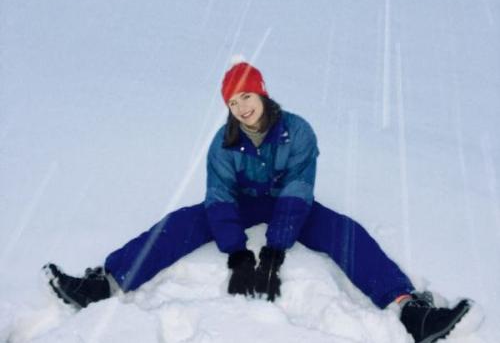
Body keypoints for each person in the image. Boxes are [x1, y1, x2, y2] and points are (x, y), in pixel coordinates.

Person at [45, 61, 472, 343]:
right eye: (233, 102)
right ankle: (106, 282)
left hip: (292, 205)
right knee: (181, 223)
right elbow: (219, 196)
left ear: (262, 93)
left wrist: (273, 250)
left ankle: (407, 308)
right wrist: (237, 255)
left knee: (345, 232)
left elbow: (298, 187)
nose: (242, 107)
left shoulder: (297, 131)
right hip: (243, 204)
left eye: (246, 96)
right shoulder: (223, 142)